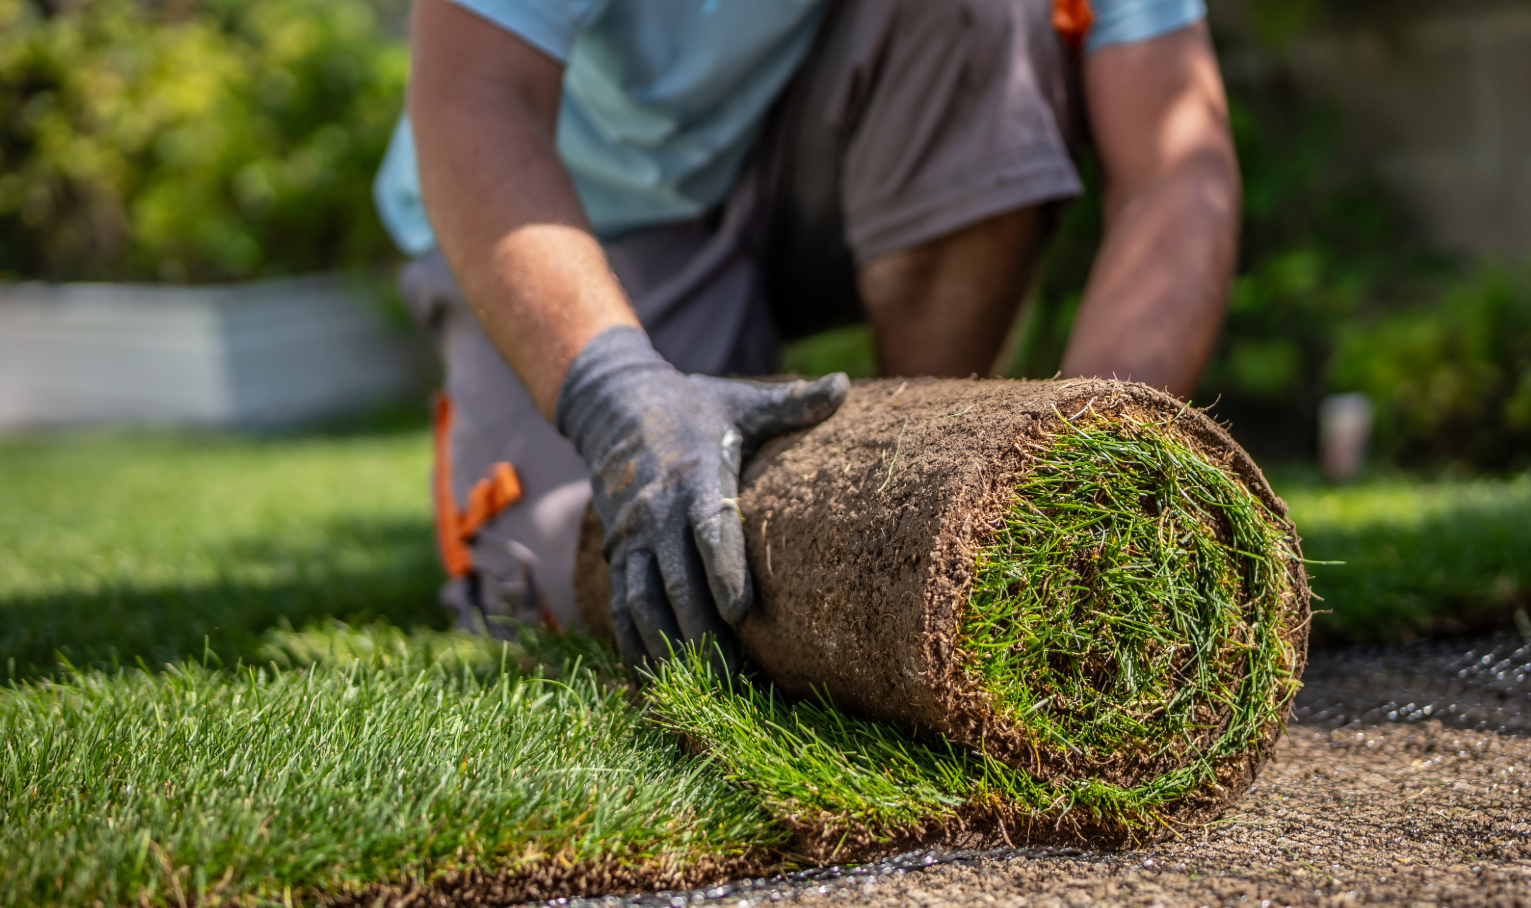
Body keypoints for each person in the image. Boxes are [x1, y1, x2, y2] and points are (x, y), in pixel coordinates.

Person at [375, 0, 1240, 667]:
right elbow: (475, 91)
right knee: (610, 576)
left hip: (810, 159)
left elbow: (1176, 159)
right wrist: (614, 396)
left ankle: (930, 491)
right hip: (582, 211)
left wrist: (1091, 471)